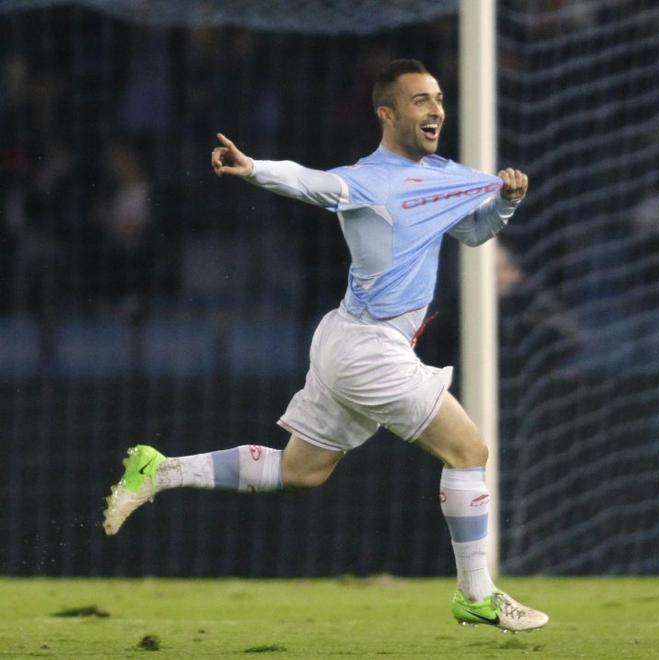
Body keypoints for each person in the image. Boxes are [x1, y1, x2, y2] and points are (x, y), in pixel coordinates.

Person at [102, 59, 548, 632]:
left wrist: (505, 202)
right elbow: (311, 181)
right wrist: (255, 167)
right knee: (470, 452)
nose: (435, 109)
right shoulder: (369, 179)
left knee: (301, 472)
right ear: (387, 113)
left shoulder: (443, 176)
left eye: (437, 98)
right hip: (368, 350)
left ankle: (158, 471)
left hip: (345, 337)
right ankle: (477, 593)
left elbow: (474, 231)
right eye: (419, 100)